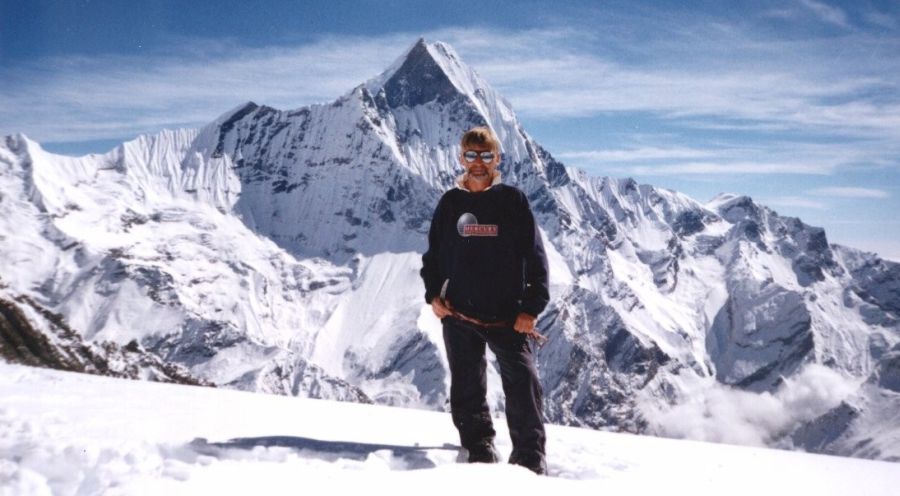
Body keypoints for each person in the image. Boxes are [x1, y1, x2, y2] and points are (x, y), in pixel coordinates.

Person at [420, 126, 550, 475]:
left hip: (508, 317)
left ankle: (528, 459)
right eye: (471, 155)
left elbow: (535, 258)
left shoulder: (512, 201)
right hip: (459, 314)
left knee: (523, 385)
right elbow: (433, 257)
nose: (478, 163)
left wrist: (531, 308)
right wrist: (433, 295)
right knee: (466, 386)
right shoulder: (450, 203)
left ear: (498, 160)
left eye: (486, 155)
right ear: (461, 159)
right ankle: (477, 447)